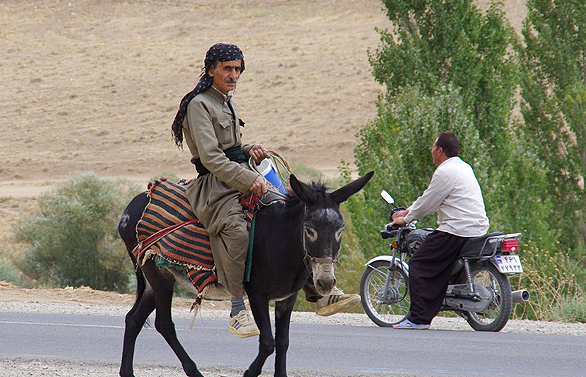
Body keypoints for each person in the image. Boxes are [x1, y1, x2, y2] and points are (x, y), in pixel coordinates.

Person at [171, 43, 360, 338]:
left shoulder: (226, 100)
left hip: (240, 173)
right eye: (227, 69)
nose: (234, 75)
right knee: (236, 231)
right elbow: (211, 157)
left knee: (294, 211)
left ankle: (320, 291)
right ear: (211, 71)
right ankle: (237, 308)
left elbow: (229, 148)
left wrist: (250, 149)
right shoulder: (200, 105)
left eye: (237, 69)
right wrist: (248, 180)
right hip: (215, 186)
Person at [390, 132, 489, 330]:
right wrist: (408, 211)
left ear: (440, 151)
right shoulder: (462, 167)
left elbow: (428, 202)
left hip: (456, 230)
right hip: (477, 228)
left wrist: (405, 219)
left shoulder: (445, 171)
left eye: (433, 148)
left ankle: (418, 319)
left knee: (418, 262)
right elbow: (429, 199)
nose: (431, 151)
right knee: (438, 260)